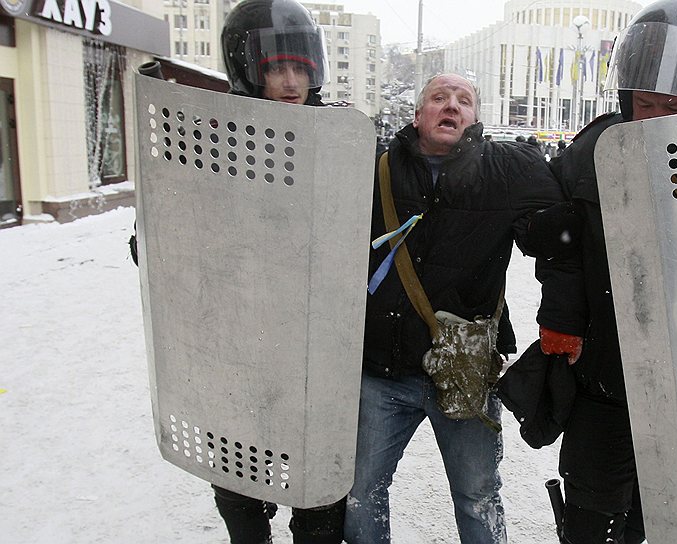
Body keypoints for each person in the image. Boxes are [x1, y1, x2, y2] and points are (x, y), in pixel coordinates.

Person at [540, 1, 677, 542]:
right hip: (605, 379)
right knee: (593, 517)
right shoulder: (594, 151)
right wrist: (563, 322)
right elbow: (560, 248)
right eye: (647, 104)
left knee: (671, 516)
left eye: (674, 108)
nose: (656, 120)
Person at [343, 73, 583, 543]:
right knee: (361, 490)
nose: (451, 106)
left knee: (478, 497)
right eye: (438, 98)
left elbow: (563, 239)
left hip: (464, 371)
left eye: (464, 100)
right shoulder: (376, 169)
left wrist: (562, 317)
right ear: (418, 115)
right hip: (383, 367)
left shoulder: (507, 170)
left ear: (475, 118)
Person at [211, 0, 347, 542]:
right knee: (240, 488)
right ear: (250, 71)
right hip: (237, 339)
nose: (291, 83)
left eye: (300, 69)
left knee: (318, 492)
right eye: (276, 69)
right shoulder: (212, 137)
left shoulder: (337, 137)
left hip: (311, 345)